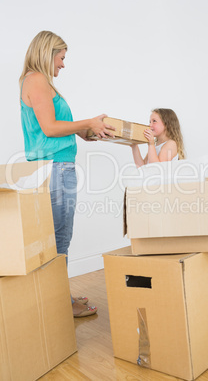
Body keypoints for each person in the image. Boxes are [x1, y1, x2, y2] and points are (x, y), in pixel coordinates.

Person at [19, 30, 115, 318]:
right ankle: (60, 304)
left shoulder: (37, 81)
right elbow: (49, 128)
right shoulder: (36, 79)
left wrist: (84, 132)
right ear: (48, 53)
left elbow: (53, 127)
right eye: (61, 58)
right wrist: (86, 122)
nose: (63, 64)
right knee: (59, 239)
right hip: (56, 170)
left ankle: (57, 296)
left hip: (52, 167)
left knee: (55, 238)